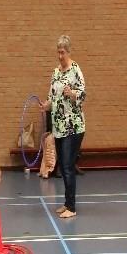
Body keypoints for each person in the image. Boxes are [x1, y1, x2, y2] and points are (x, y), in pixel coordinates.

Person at [41, 35, 86, 218]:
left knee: (67, 165)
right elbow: (52, 98)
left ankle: (72, 207)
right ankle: (67, 203)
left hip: (73, 126)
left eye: (62, 52)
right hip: (58, 126)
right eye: (58, 52)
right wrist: (46, 105)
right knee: (63, 165)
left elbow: (83, 95)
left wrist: (72, 93)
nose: (60, 56)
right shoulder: (56, 72)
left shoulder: (75, 70)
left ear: (68, 52)